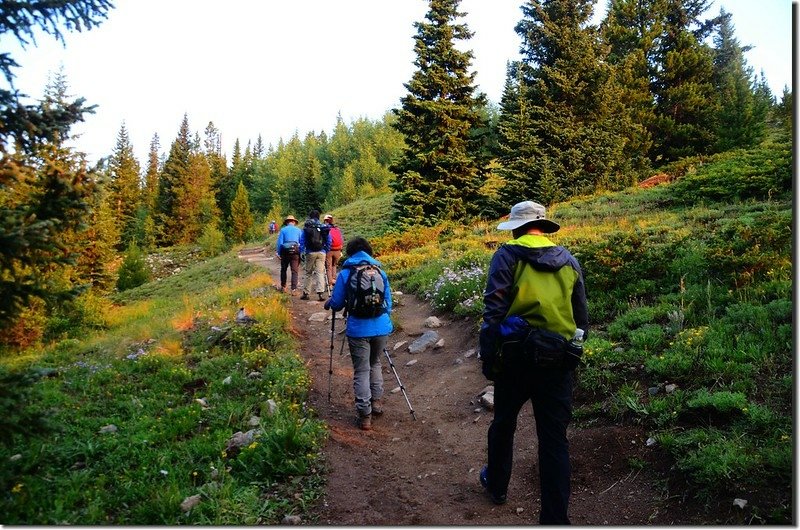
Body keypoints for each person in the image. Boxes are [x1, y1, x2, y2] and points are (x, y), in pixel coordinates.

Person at [478, 200, 588, 525]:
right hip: (557, 363)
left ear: (515, 227)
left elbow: (493, 314)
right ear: (543, 227)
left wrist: (488, 359)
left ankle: (497, 485)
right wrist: (574, 353)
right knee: (554, 442)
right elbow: (581, 318)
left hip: (515, 361)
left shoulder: (507, 255)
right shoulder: (569, 261)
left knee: (503, 424)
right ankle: (555, 520)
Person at [323, 237, 393, 431]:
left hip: (358, 329)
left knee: (362, 370)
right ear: (368, 252)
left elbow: (336, 303)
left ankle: (365, 416)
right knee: (375, 363)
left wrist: (329, 302)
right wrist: (383, 321)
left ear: (350, 253)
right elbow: (388, 302)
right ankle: (377, 403)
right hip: (381, 327)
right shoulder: (380, 271)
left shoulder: (346, 272)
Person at [299, 209, 332, 301]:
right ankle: (320, 293)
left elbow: (302, 240)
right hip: (321, 252)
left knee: (308, 273)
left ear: (310, 216)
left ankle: (306, 293)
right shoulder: (322, 226)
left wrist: (302, 251)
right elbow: (329, 239)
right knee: (320, 272)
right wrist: (326, 249)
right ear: (318, 216)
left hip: (310, 252)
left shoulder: (307, 226)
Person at [275, 215, 302, 294]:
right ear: (294, 222)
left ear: (287, 222)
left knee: (283, 269)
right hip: (295, 253)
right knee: (294, 271)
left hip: (285, 253)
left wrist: (279, 253)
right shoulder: (298, 230)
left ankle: (283, 286)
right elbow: (301, 242)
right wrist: (301, 253)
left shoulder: (283, 230)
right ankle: (294, 289)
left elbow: (280, 243)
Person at [323, 214, 344, 289]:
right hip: (338, 250)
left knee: (328, 267)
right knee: (334, 265)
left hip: (329, 250)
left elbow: (324, 240)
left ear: (325, 221)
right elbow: (342, 240)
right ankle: (334, 280)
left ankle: (330, 284)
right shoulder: (337, 229)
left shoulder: (326, 229)